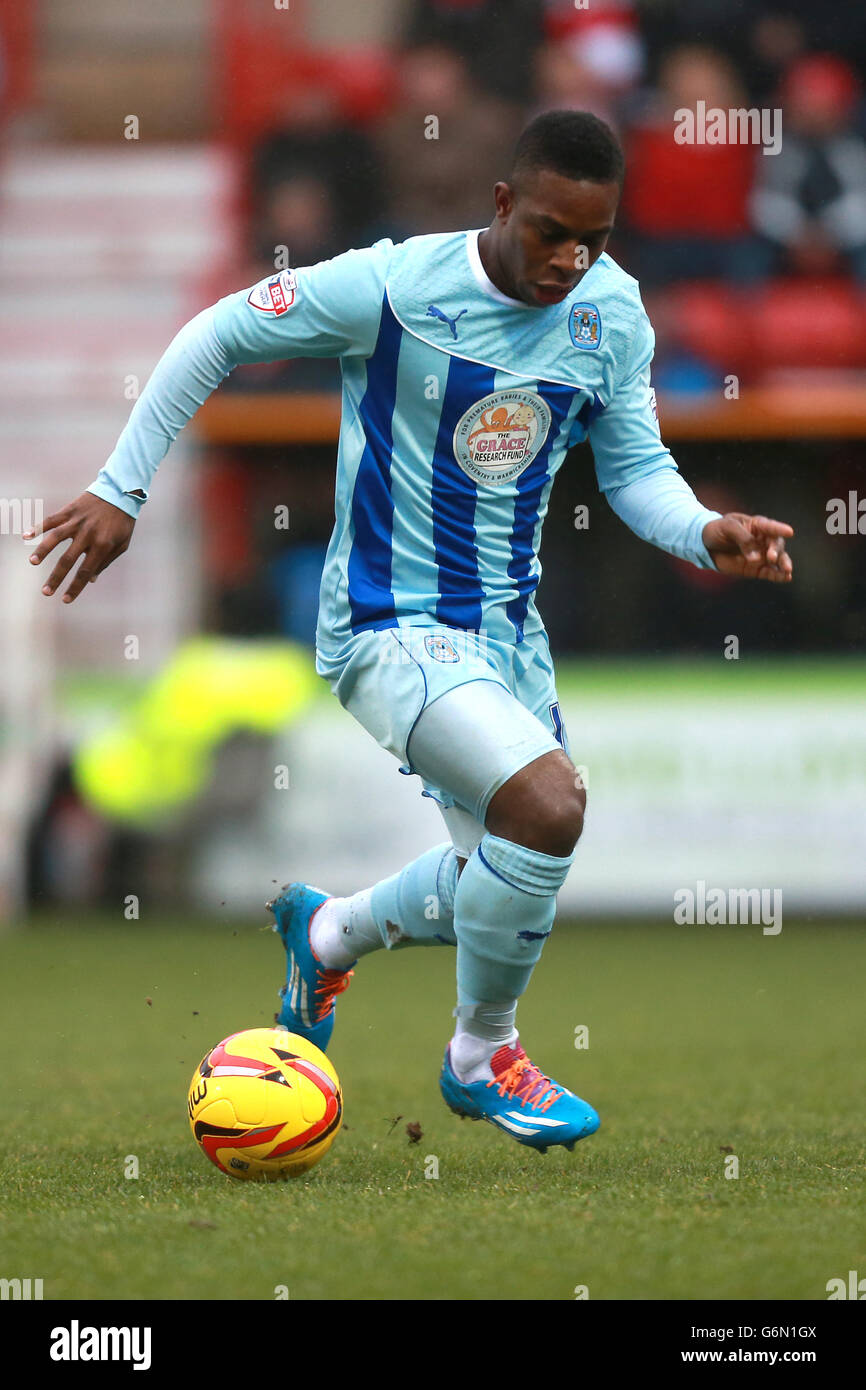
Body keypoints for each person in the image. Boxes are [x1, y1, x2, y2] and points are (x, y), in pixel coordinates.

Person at [24, 110, 793, 1154]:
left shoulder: (609, 314)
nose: (568, 260)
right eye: (551, 232)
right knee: (550, 806)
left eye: (594, 239)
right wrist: (120, 487)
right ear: (501, 205)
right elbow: (216, 333)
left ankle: (328, 930)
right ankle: (482, 1056)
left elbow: (631, 470)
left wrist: (707, 530)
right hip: (388, 623)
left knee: (506, 876)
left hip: (506, 640)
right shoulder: (392, 288)